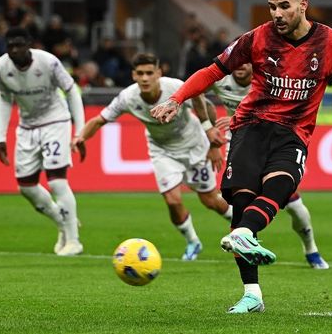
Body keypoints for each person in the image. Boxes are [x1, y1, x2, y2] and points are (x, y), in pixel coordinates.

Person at [150, 0, 332, 314]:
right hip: (250, 126)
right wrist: (178, 98)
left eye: (284, 6)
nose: (277, 14)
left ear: (303, 4)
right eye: (271, 7)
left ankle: (245, 235)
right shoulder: (256, 39)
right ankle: (252, 294)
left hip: (293, 131)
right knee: (241, 201)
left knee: (282, 185)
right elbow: (213, 70)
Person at [71, 53, 232, 261]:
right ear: (133, 75)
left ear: (158, 73)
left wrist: (211, 140)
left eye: (149, 73)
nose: (145, 78)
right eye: (140, 73)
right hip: (162, 150)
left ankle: (242, 226)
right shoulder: (128, 97)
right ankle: (193, 241)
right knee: (172, 200)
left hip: (194, 145)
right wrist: (81, 136)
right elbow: (99, 120)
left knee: (211, 201)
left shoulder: (175, 87)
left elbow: (204, 103)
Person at [210, 62, 329, 269]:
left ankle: (311, 248)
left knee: (293, 206)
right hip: (241, 146)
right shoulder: (221, 81)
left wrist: (235, 118)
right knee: (241, 204)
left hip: (272, 143)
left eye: (246, 62)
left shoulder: (269, 79)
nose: (240, 67)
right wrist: (207, 128)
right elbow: (197, 93)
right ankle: (250, 283)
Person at [0, 27, 86, 256]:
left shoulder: (48, 62)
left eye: (19, 45)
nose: (14, 50)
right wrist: (0, 137)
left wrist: (80, 131)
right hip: (26, 127)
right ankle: (64, 222)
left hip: (56, 121)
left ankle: (74, 241)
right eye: (10, 46)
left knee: (56, 182)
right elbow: (5, 99)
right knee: (26, 188)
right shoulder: (1, 67)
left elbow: (72, 90)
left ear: (30, 45)